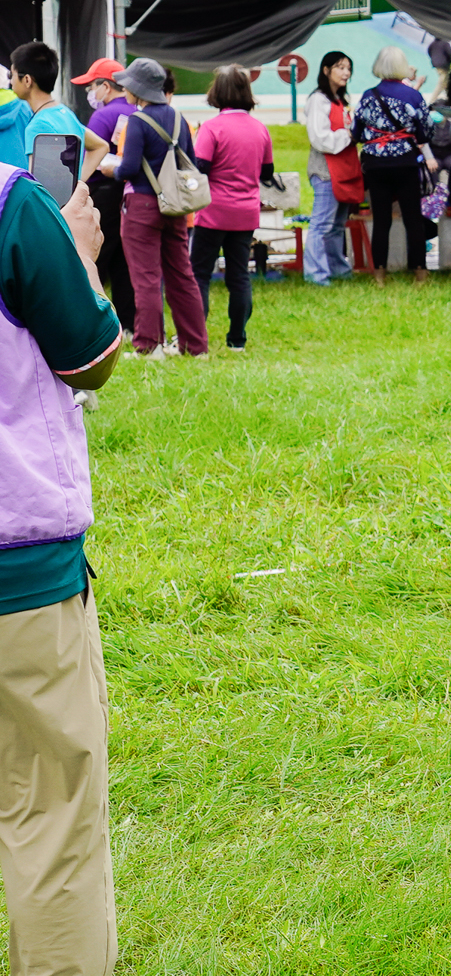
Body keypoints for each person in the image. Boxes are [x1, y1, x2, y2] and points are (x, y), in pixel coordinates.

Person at [0, 155, 124, 976]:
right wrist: (82, 253)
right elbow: (90, 355)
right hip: (20, 577)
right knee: (52, 812)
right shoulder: (13, 202)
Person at [109, 58, 208, 357]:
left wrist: (108, 170)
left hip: (141, 206)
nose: (123, 87)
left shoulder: (137, 122)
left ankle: (149, 346)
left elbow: (127, 169)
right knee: (182, 275)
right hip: (175, 205)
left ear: (138, 88)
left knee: (147, 278)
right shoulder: (179, 118)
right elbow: (189, 161)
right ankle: (195, 345)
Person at [187, 66, 274, 350]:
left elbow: (201, 168)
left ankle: (196, 336)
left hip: (212, 211)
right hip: (246, 212)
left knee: (199, 273)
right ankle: (237, 339)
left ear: (217, 92)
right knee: (240, 276)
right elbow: (267, 172)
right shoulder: (260, 129)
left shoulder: (212, 128)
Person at [352, 46, 435, 285]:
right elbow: (426, 131)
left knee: (381, 220)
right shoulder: (413, 95)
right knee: (412, 218)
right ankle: (420, 272)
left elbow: (356, 131)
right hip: (406, 162)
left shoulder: (368, 96)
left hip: (376, 164)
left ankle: (379, 274)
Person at [75, 59, 135, 331]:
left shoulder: (103, 116)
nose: (91, 92)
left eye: (92, 86)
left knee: (94, 259)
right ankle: (129, 322)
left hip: (105, 193)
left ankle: (91, 322)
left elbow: (91, 154)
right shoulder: (138, 109)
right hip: (132, 194)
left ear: (106, 86)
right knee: (125, 260)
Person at [303, 51, 360, 286]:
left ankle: (338, 270)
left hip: (344, 168)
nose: (346, 73)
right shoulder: (318, 99)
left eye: (348, 68)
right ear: (326, 70)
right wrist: (348, 134)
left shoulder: (342, 100)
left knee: (337, 225)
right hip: (326, 170)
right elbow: (319, 138)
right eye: (340, 67)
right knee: (322, 225)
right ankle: (316, 275)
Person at [12, 43, 108, 180]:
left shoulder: (38, 125)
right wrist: (77, 183)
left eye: (12, 74)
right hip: (69, 200)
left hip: (52, 201)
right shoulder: (65, 113)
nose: (11, 81)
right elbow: (101, 147)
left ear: (27, 80)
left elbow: (39, 186)